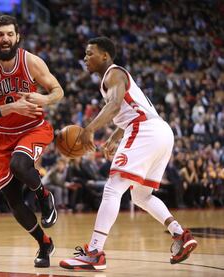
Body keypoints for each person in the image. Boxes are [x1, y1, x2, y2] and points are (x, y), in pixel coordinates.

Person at [59, 37, 197, 270]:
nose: (85, 58)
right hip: (160, 132)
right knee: (141, 196)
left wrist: (89, 129)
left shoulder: (113, 73)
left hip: (145, 130)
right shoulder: (114, 78)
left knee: (113, 187)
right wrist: (114, 137)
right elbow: (128, 112)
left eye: (90, 53)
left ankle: (94, 252)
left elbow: (114, 106)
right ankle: (180, 234)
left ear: (105, 56)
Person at [0, 15, 64, 267]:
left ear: (17, 36)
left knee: (19, 166)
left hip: (33, 128)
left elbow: (58, 90)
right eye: (0, 34)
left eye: (10, 34)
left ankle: (44, 196)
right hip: (0, 137)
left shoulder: (31, 61)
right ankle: (44, 243)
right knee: (13, 200)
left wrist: (44, 100)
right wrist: (12, 109)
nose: (5, 39)